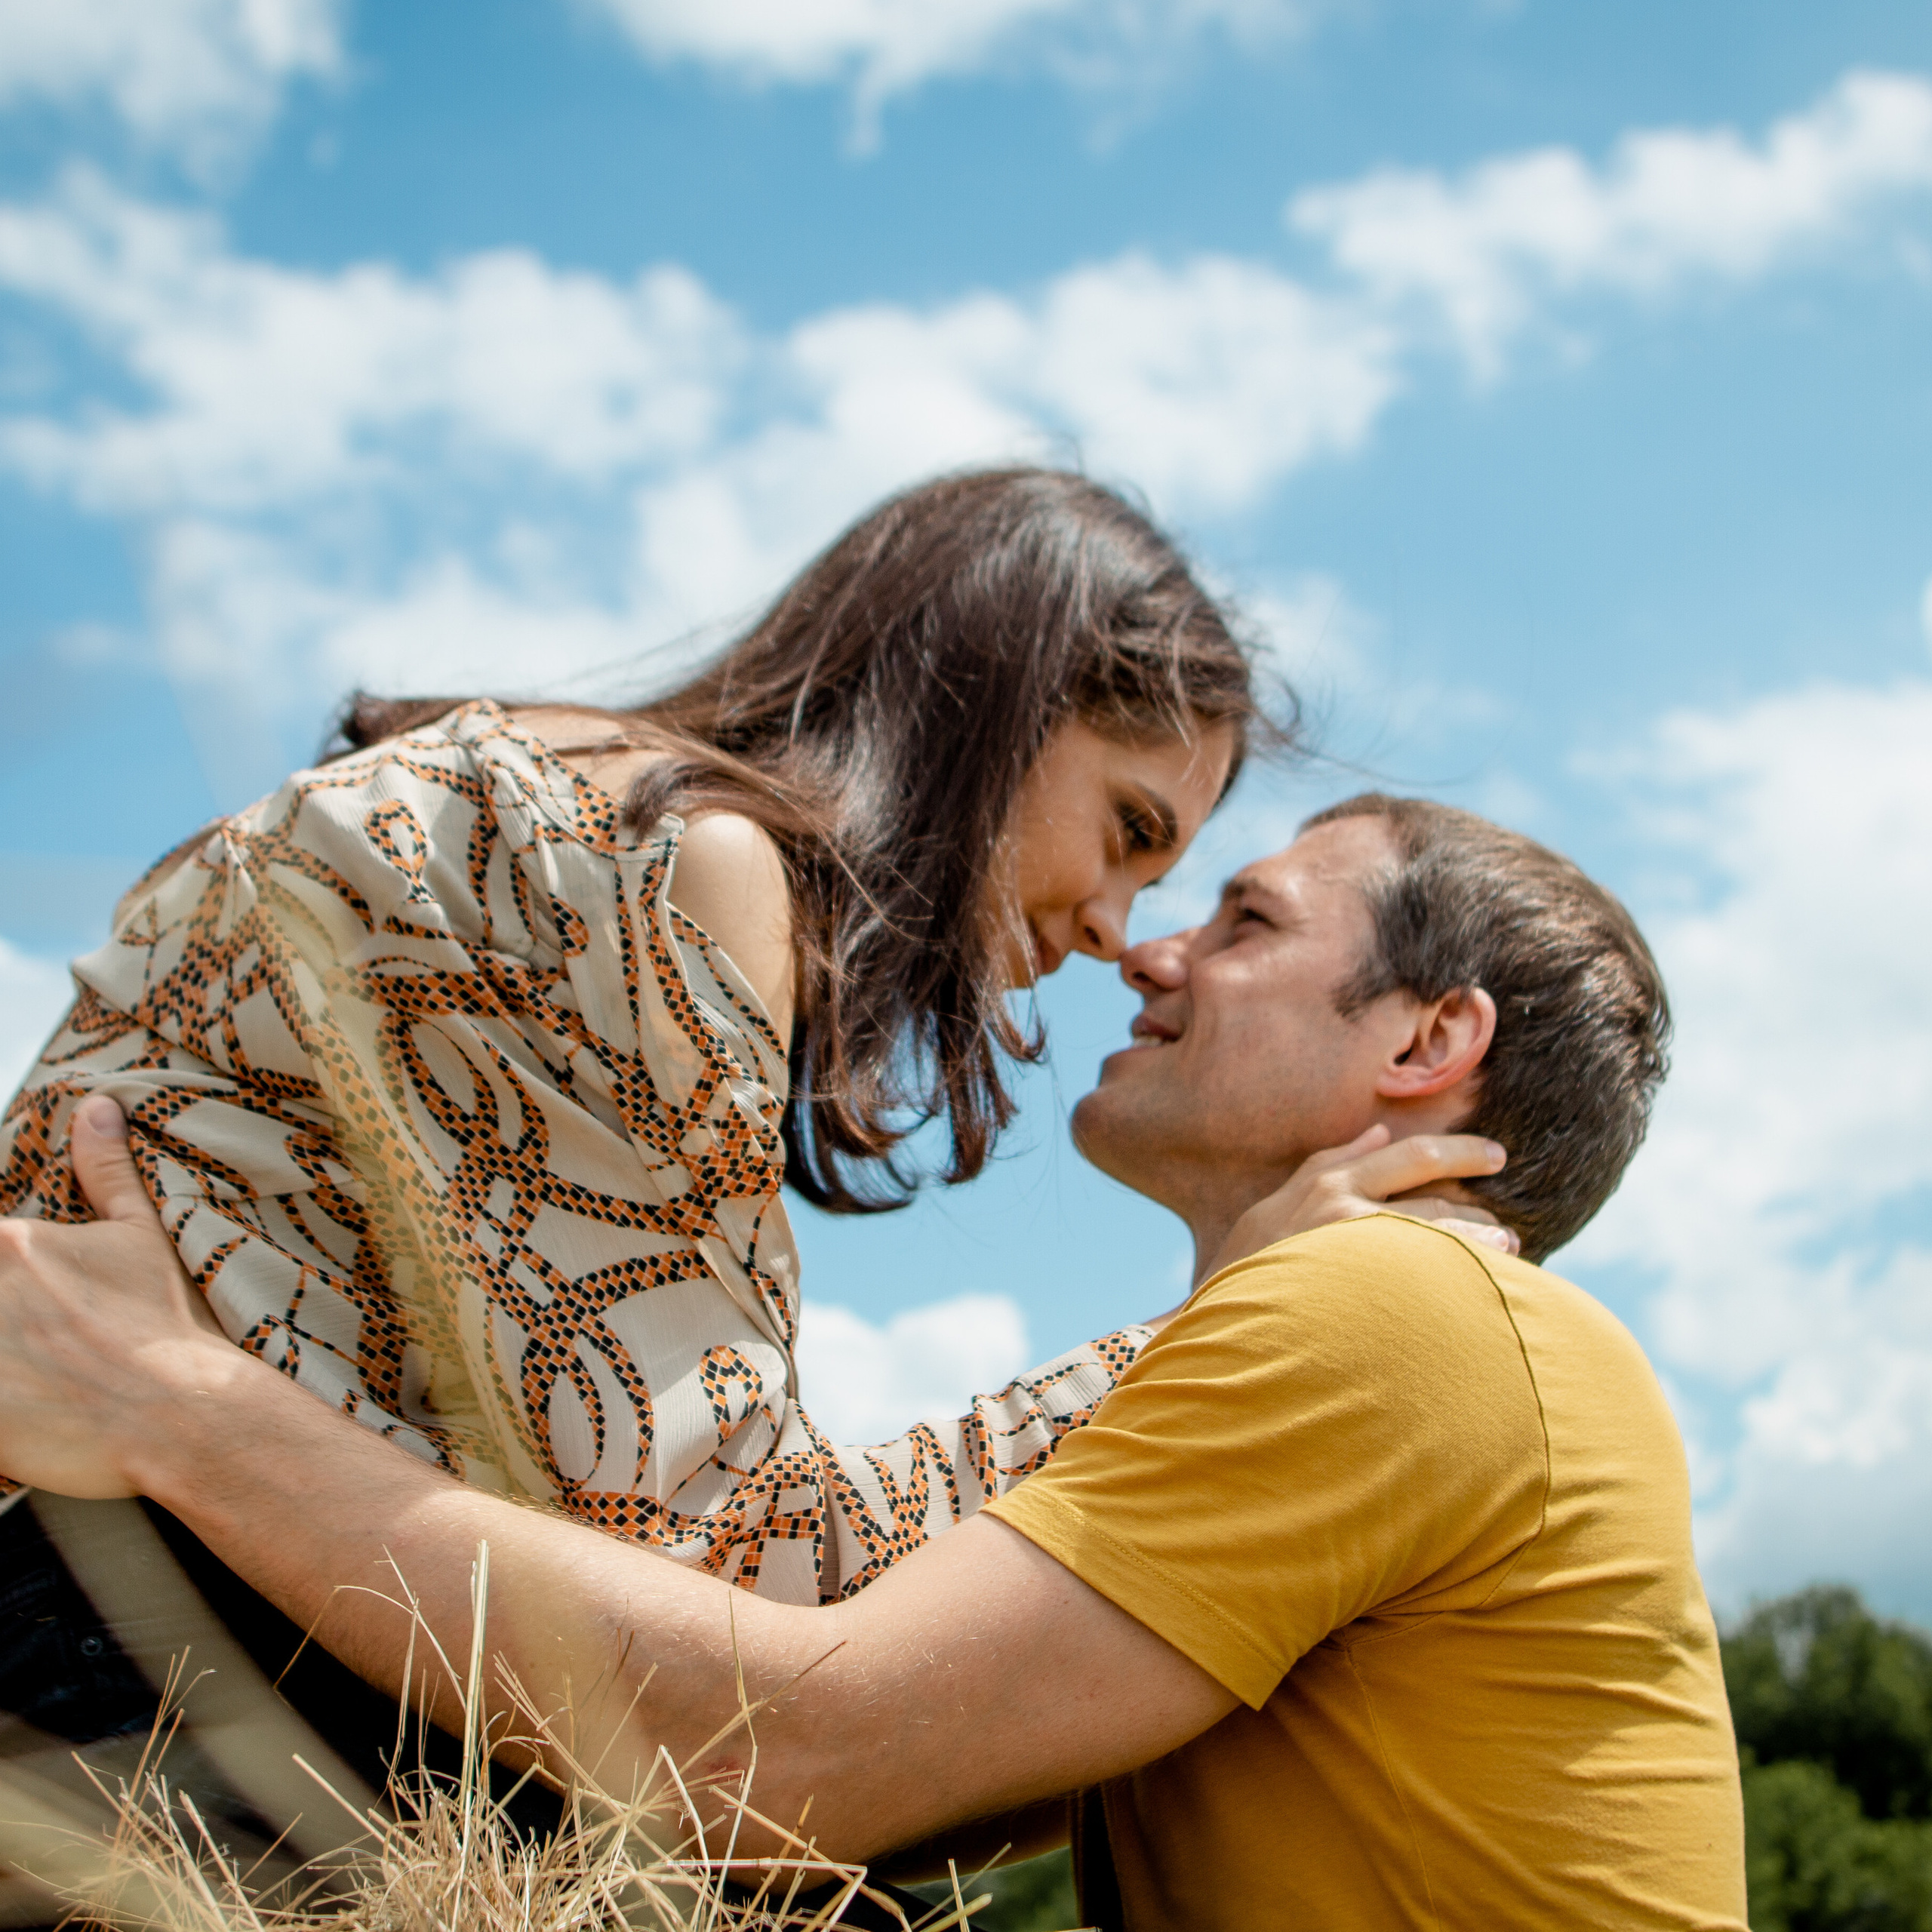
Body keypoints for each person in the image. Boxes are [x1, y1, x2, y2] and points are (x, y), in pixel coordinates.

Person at [0, 794, 1747, 1929]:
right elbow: (887, 1805)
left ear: (1429, 1039)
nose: (1150, 944)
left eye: (1244, 920)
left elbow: (792, 1754)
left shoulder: (1402, 1315)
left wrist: (177, 1404)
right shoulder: (1406, 1340)